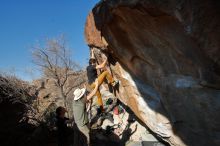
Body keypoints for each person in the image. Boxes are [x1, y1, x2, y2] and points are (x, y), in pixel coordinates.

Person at [86, 48, 119, 112]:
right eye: (94, 62)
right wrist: (106, 59)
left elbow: (92, 59)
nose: (95, 63)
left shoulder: (88, 67)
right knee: (105, 73)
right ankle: (113, 83)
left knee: (99, 97)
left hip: (91, 85)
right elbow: (102, 65)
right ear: (92, 63)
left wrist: (92, 52)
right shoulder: (93, 66)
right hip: (95, 83)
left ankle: (102, 111)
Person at [72, 79, 99, 146]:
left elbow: (84, 99)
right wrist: (97, 85)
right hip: (82, 125)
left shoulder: (74, 102)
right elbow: (93, 93)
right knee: (87, 139)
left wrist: (85, 89)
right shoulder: (82, 101)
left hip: (76, 124)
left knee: (77, 140)